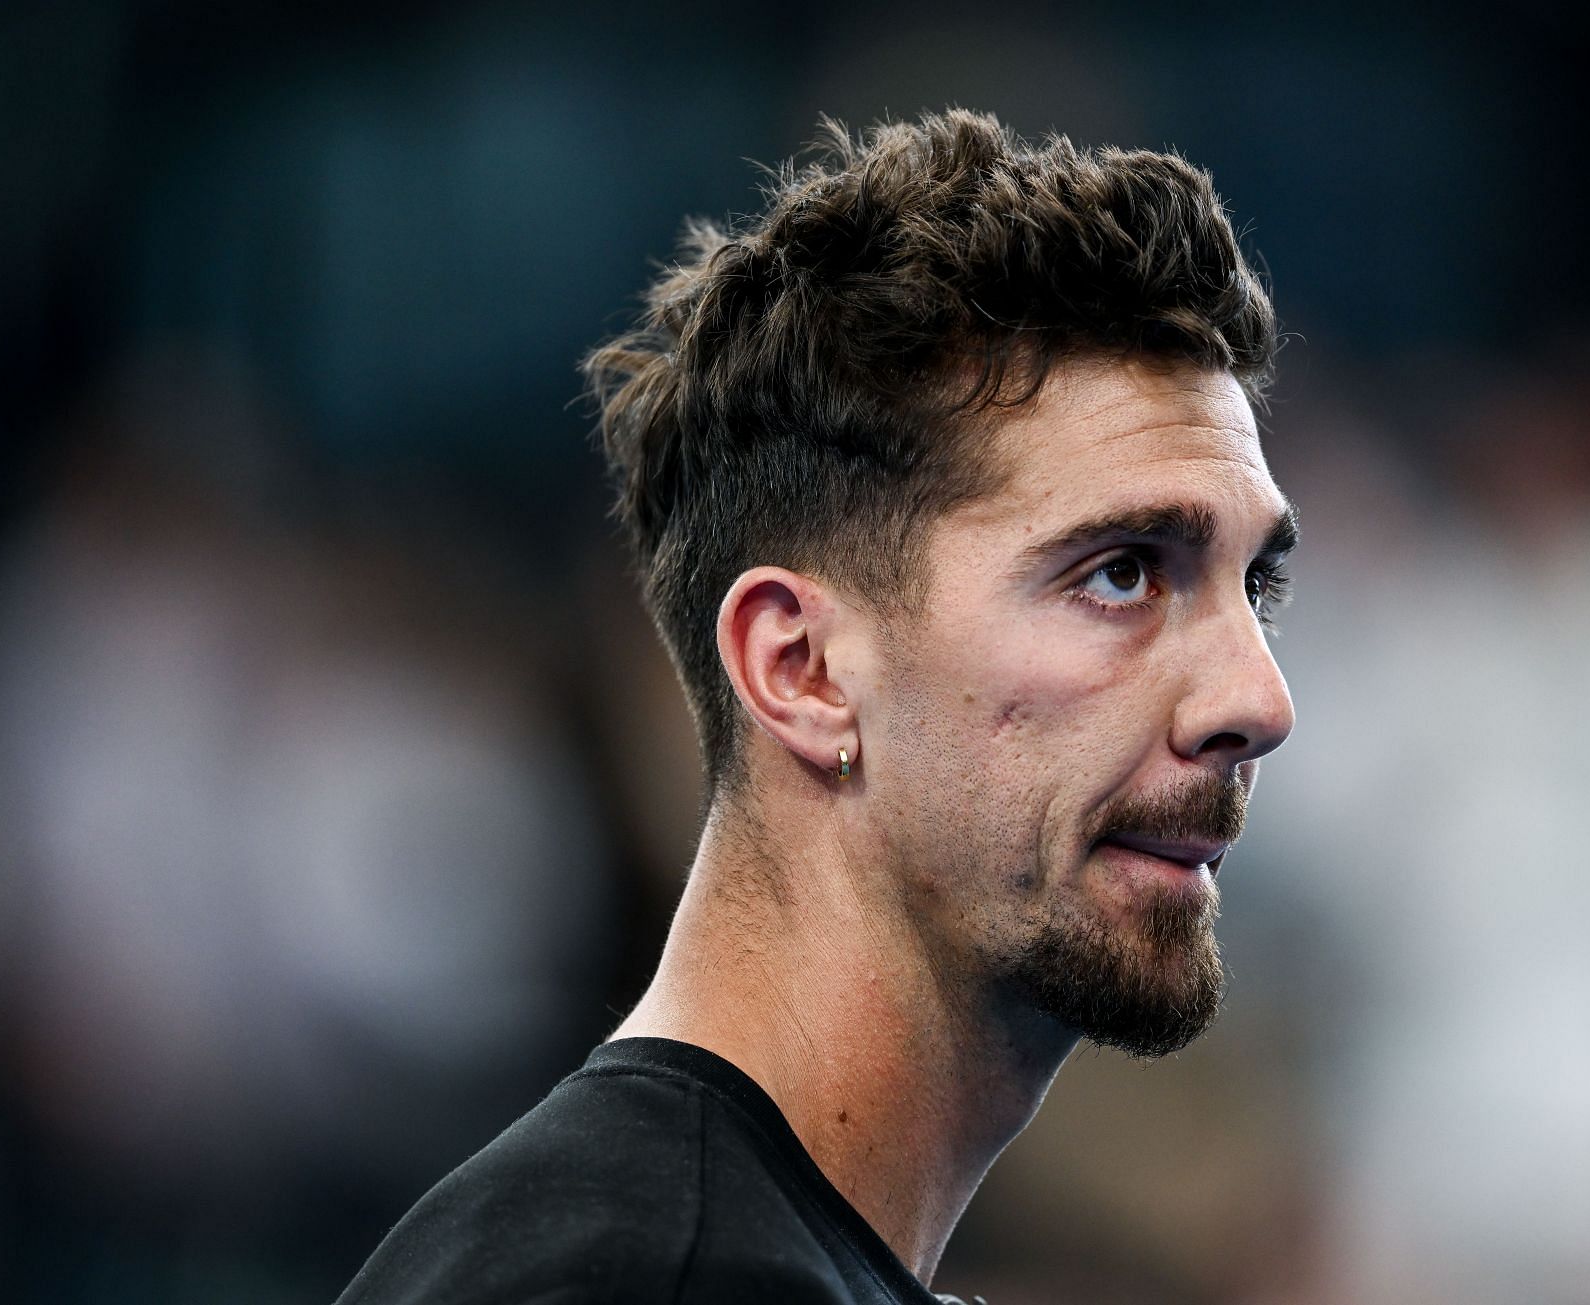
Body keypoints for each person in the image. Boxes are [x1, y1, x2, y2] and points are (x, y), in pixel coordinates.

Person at [337, 108, 1298, 1305]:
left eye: (1257, 584)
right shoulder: (645, 1282)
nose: (1259, 699)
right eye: (1121, 573)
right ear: (800, 669)